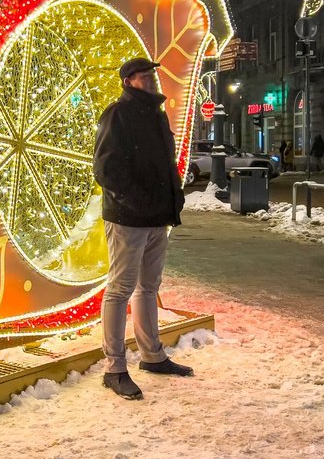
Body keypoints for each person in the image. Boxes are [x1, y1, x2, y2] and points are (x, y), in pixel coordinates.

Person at [93, 57, 192, 401]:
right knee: (119, 289)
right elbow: (106, 170)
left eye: (153, 74)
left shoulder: (156, 114)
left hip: (156, 216)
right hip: (128, 217)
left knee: (148, 288)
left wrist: (173, 198)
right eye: (144, 75)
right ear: (128, 81)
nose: (152, 79)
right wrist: (135, 201)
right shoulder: (117, 115)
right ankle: (114, 368)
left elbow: (167, 163)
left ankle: (152, 356)